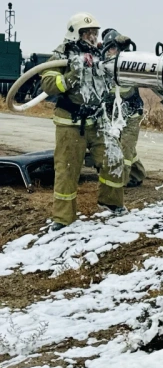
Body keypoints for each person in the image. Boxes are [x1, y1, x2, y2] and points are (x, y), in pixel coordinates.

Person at [40, 13, 126, 232]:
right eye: (87, 32)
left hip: (98, 121)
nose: (92, 36)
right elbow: (49, 84)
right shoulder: (62, 54)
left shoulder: (99, 54)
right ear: (75, 34)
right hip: (71, 124)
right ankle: (62, 219)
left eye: (94, 32)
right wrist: (72, 74)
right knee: (67, 171)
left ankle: (112, 203)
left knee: (114, 159)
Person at [101, 28, 146, 187]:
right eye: (110, 48)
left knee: (125, 151)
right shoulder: (103, 66)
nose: (112, 51)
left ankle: (119, 184)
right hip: (115, 117)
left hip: (132, 114)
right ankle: (138, 174)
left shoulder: (128, 64)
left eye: (116, 48)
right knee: (127, 149)